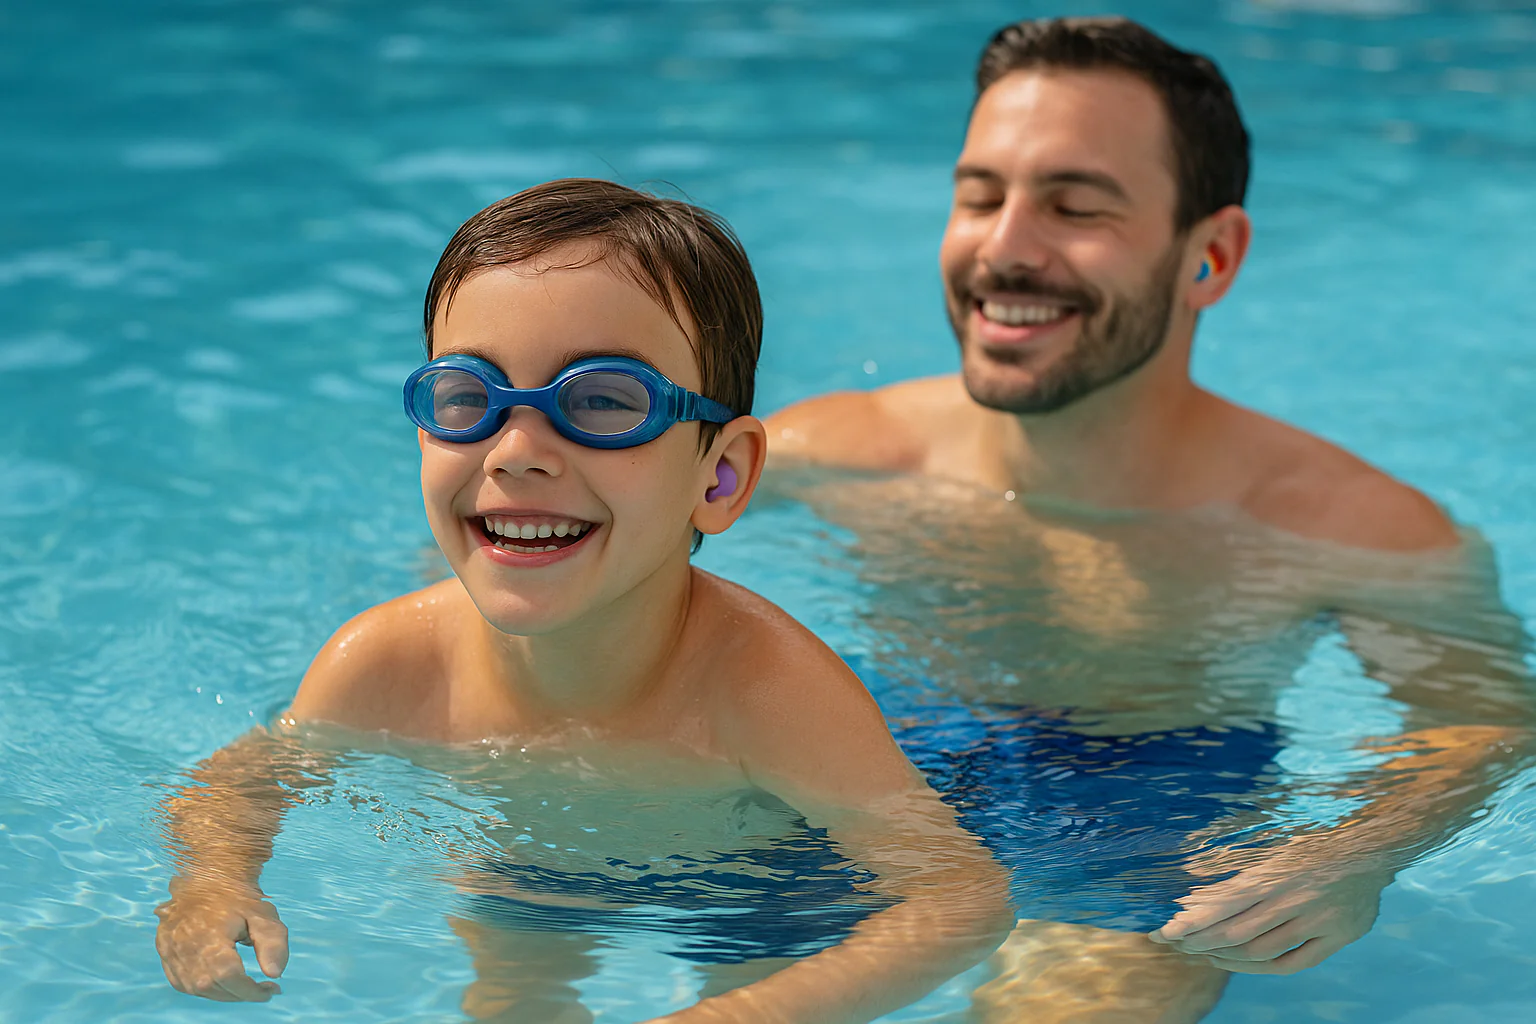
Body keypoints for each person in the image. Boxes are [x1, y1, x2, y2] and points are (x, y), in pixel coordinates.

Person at [763, 16, 1533, 1022]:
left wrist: (1351, 853)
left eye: (1074, 206)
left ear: (1209, 254)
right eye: (980, 196)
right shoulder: (839, 456)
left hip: (1156, 819)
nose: (1005, 250)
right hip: (882, 773)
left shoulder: (1354, 530)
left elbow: (1485, 718)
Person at [153, 179, 1013, 1022]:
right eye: (467, 399)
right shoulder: (389, 661)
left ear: (721, 475)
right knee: (509, 998)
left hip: (769, 876)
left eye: (602, 401)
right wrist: (212, 883)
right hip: (531, 867)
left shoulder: (765, 691)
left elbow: (961, 898)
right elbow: (241, 782)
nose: (516, 450)